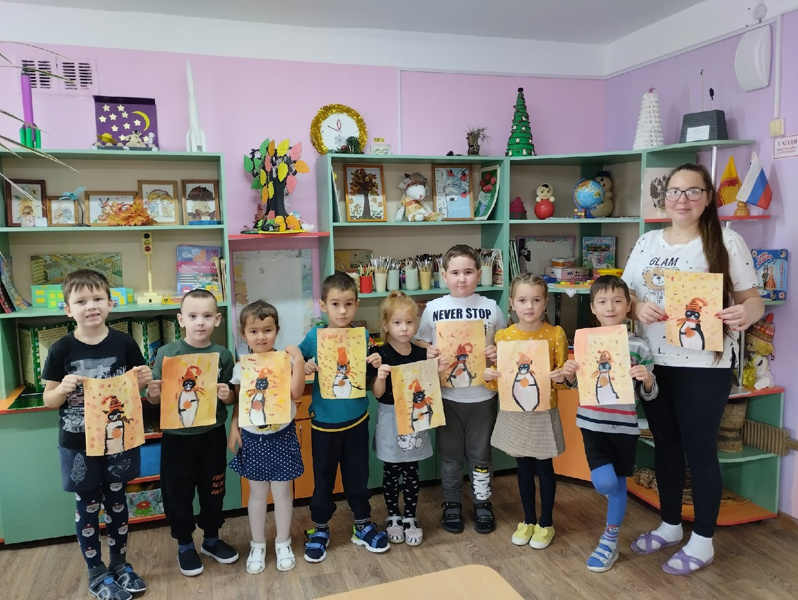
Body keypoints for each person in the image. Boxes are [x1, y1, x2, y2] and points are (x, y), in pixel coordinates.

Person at [622, 163, 764, 575]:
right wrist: (635, 306)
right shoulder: (648, 241)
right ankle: (669, 524)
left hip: (705, 365)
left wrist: (744, 313)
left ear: (707, 198)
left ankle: (702, 541)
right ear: (663, 197)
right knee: (665, 445)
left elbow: (753, 301)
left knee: (700, 450)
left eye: (693, 191)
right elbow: (627, 293)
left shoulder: (726, 241)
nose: (682, 199)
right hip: (654, 363)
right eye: (674, 191)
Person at [42, 269, 152, 600]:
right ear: (68, 309)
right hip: (78, 444)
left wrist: (144, 379)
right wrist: (62, 387)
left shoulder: (125, 342)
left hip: (118, 439)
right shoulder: (61, 350)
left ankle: (120, 564)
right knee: (88, 505)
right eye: (81, 301)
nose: (91, 306)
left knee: (118, 502)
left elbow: (136, 388)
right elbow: (49, 400)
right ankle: (96, 572)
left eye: (98, 299)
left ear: (110, 303)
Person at [561, 275, 658, 572]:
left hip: (625, 426)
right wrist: (567, 371)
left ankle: (609, 540)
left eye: (618, 301)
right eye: (603, 302)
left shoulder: (639, 346)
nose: (611, 307)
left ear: (628, 305)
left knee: (617, 484)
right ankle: (610, 532)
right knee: (605, 482)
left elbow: (650, 395)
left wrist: (648, 379)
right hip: (592, 423)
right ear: (593, 307)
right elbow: (576, 382)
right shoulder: (585, 341)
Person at [147, 289, 238, 577]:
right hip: (177, 440)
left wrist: (227, 395)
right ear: (181, 319)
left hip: (211, 436)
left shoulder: (223, 355)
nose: (201, 322)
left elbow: (232, 395)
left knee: (213, 489)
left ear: (218, 319)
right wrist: (152, 393)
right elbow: (156, 399)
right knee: (178, 493)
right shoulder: (167, 354)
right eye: (193, 316)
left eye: (207, 316)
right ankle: (185, 544)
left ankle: (211, 539)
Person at [416, 244, 506, 534]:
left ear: (479, 274)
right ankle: (452, 502)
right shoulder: (433, 308)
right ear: (443, 275)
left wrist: (496, 352)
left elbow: (505, 343)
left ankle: (482, 502)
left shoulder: (491, 307)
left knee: (481, 456)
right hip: (446, 397)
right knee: (451, 455)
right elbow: (420, 343)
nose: (462, 278)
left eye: (468, 272)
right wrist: (428, 350)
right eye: (455, 272)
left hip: (483, 397)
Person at [299, 271, 386, 562]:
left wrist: (375, 361)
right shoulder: (314, 337)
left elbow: (373, 379)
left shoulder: (361, 336)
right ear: (323, 305)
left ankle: (361, 523)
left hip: (357, 420)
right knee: (323, 479)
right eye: (335, 304)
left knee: (358, 477)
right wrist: (306, 365)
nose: (342, 310)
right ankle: (321, 527)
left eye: (348, 304)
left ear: (357, 304)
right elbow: (294, 363)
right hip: (324, 424)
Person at [484, 273, 568, 550]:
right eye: (522, 300)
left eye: (536, 300)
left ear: (545, 303)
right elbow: (498, 382)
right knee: (523, 467)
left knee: (544, 467)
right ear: (512, 304)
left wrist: (561, 376)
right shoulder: (503, 336)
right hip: (515, 412)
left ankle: (546, 523)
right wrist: (488, 372)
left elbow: (565, 379)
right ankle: (528, 519)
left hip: (543, 411)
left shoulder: (555, 334)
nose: (529, 306)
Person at [227, 300, 306, 573]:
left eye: (268, 330)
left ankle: (283, 542)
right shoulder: (242, 366)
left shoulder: (284, 361)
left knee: (283, 493)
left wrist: (297, 360)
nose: (261, 336)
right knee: (257, 494)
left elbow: (296, 394)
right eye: (254, 331)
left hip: (282, 434)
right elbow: (240, 402)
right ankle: (258, 545)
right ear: (244, 334)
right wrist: (234, 427)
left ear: (276, 331)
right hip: (253, 438)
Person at [372, 291, 445, 547]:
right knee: (391, 471)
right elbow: (378, 395)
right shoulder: (381, 354)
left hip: (415, 420)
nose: (404, 329)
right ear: (385, 325)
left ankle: (410, 517)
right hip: (390, 418)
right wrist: (380, 376)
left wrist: (437, 368)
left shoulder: (420, 352)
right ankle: (393, 516)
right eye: (397, 323)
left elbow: (428, 387)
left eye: (409, 322)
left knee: (412, 472)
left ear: (416, 323)